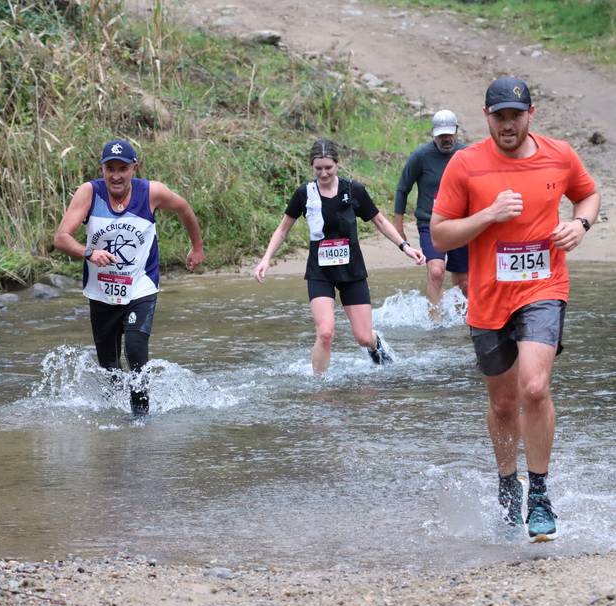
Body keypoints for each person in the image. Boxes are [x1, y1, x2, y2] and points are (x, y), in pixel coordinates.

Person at [430, 76, 599, 542]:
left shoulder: (560, 154)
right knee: (503, 404)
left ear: (531, 115)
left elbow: (589, 194)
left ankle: (540, 494)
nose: (508, 124)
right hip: (488, 298)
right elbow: (440, 234)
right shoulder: (465, 165)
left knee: (535, 386)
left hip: (544, 287)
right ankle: (509, 486)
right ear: (486, 117)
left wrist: (580, 224)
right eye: (499, 115)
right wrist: (487, 216)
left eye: (516, 115)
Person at [54, 139, 205, 415]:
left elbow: (184, 209)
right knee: (109, 370)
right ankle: (113, 429)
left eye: (122, 168)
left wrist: (197, 247)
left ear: (134, 167)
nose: (115, 175)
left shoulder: (152, 192)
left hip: (140, 287)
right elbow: (61, 238)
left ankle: (140, 422)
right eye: (109, 168)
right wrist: (89, 252)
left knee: (136, 353)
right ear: (102, 169)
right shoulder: (90, 193)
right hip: (101, 293)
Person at [253, 138, 425, 375]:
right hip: (320, 273)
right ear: (312, 167)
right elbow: (283, 229)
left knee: (364, 338)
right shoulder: (304, 194)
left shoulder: (354, 190)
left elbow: (379, 220)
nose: (323, 173)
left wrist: (405, 246)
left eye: (328, 168)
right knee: (325, 332)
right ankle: (319, 386)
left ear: (337, 164)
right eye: (318, 168)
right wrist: (266, 259)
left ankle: (379, 350)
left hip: (352, 271)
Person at [394, 110, 469, 320]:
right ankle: (435, 322)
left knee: (464, 282)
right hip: (431, 222)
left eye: (449, 134)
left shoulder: (467, 154)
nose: (446, 139)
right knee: (436, 271)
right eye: (441, 135)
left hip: (461, 223)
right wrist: (398, 227)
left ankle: (461, 323)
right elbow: (402, 189)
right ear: (433, 134)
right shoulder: (421, 156)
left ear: (456, 131)